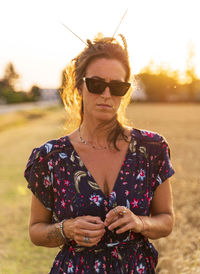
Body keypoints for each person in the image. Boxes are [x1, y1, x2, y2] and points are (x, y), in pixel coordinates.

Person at [24, 33, 175, 273]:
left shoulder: (151, 149)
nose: (106, 94)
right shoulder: (51, 157)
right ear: (79, 85)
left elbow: (166, 220)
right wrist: (67, 229)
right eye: (96, 84)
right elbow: (36, 231)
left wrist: (139, 222)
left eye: (117, 87)